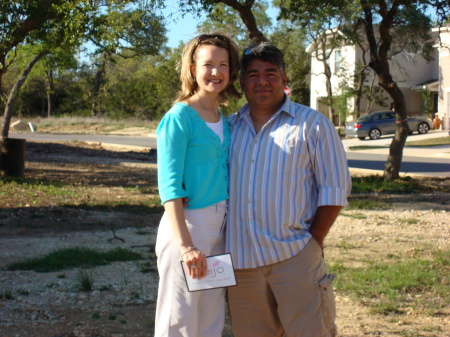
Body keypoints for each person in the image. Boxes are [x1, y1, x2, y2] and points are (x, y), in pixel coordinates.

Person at [226, 42, 352, 337]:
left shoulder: (313, 125)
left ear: (285, 79)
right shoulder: (227, 130)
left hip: (295, 259)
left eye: (271, 73)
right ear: (242, 82)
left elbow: (334, 189)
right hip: (242, 268)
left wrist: (312, 245)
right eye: (253, 74)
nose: (262, 81)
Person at [154, 33, 240, 337]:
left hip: (220, 230)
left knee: (211, 317)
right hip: (188, 228)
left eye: (223, 65)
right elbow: (169, 186)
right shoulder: (179, 117)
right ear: (193, 69)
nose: (215, 72)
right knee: (178, 320)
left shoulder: (224, 120)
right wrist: (186, 245)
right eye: (208, 65)